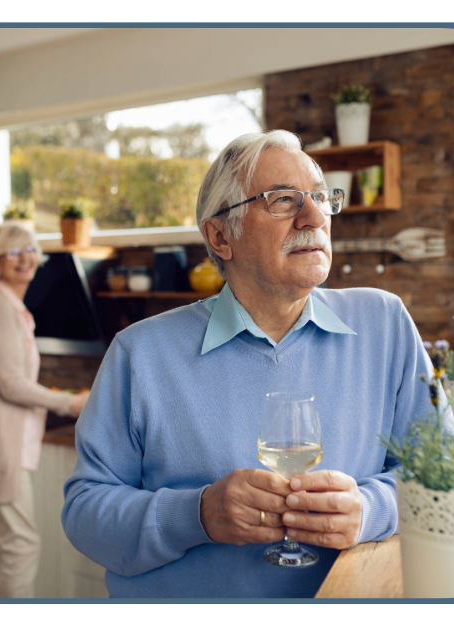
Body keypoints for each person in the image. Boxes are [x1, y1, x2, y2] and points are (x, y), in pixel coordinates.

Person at [61, 130, 452, 598]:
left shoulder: (384, 323)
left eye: (321, 197)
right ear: (221, 236)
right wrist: (198, 514)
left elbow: (442, 470)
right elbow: (85, 514)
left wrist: (372, 509)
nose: (313, 216)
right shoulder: (139, 353)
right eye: (283, 200)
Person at [0, 221, 91, 598]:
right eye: (13, 252)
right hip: (0, 441)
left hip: (0, 439)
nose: (24, 258)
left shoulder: (7, 306)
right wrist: (71, 403)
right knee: (20, 543)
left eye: (29, 250)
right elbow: (11, 384)